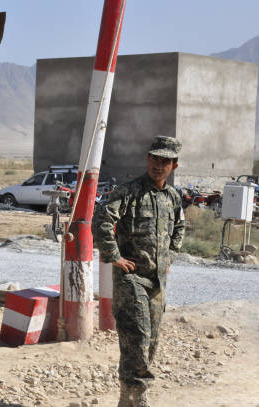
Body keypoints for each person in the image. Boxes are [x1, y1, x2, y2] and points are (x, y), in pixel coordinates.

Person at [92, 135, 185, 407]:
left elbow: (179, 228)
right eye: (154, 159)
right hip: (131, 279)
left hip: (158, 282)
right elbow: (102, 218)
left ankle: (127, 395)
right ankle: (137, 394)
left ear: (174, 166)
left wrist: (171, 256)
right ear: (147, 159)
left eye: (165, 161)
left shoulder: (173, 197)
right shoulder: (129, 191)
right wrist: (114, 256)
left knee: (151, 340)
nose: (159, 165)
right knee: (137, 336)